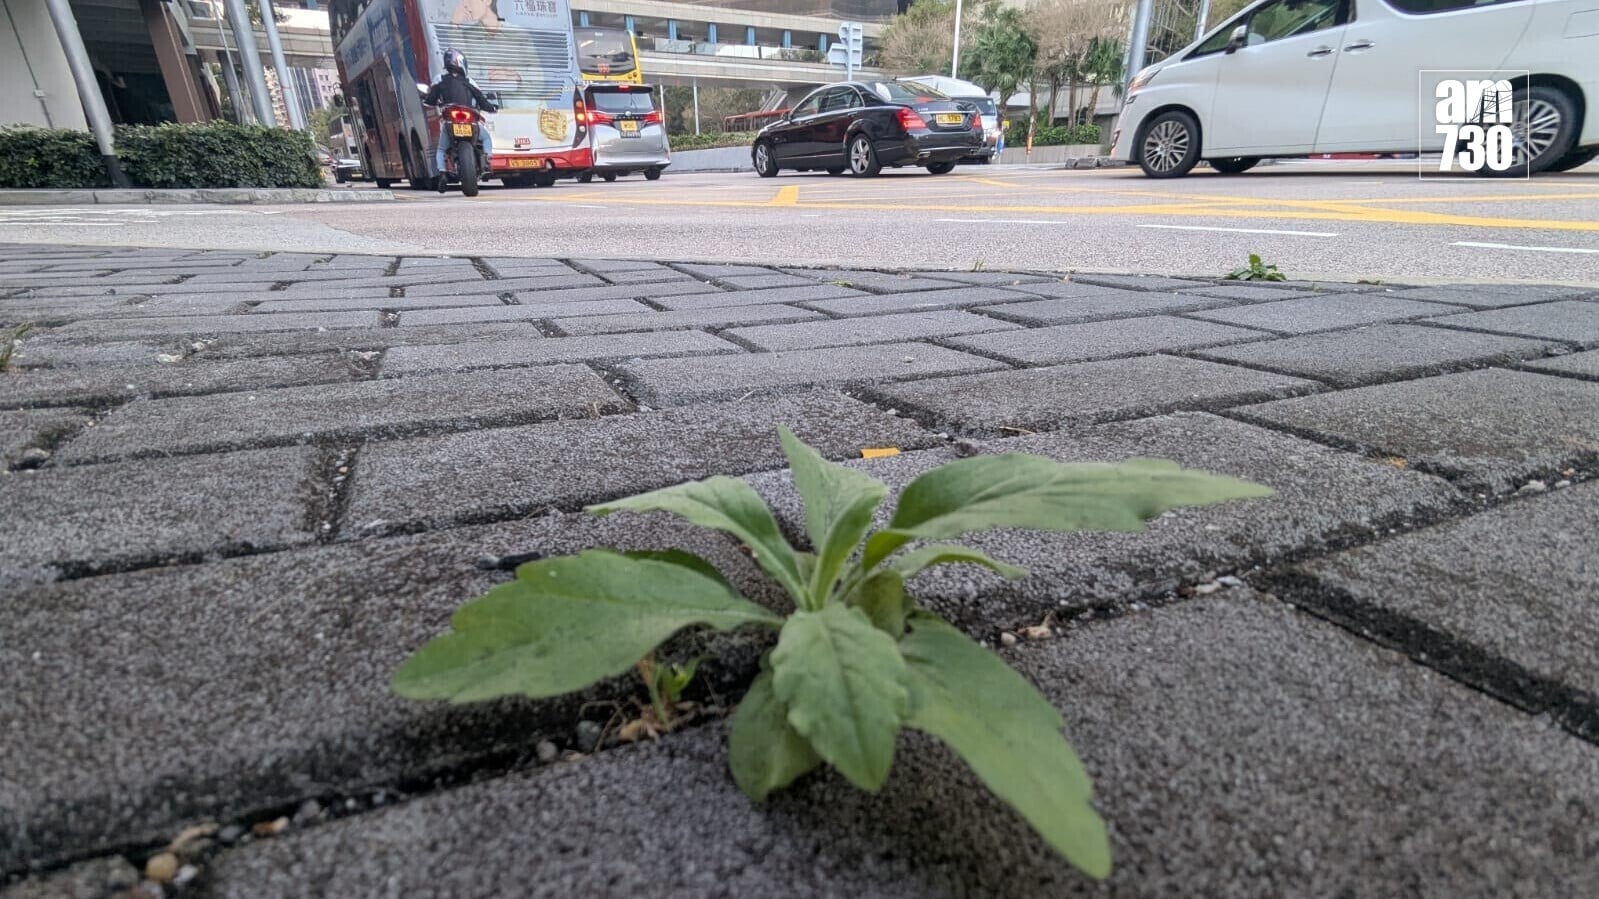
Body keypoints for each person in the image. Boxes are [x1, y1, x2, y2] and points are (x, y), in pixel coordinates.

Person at [424, 49, 497, 191]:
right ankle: (487, 161)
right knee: (486, 138)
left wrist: (427, 101)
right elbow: (482, 101)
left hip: (450, 119)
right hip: (469, 117)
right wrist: (493, 108)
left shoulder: (439, 79)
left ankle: (443, 173)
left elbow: (430, 100)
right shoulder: (470, 81)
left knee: (441, 149)